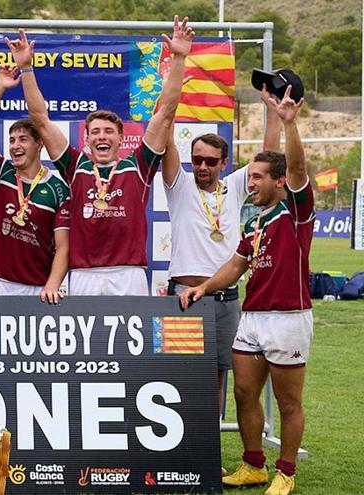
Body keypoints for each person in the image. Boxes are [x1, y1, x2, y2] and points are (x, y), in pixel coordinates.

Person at [180, 86, 313, 495]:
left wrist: (288, 123)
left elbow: (298, 168)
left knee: (288, 402)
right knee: (242, 393)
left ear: (279, 181)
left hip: (288, 317)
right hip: (251, 316)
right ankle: (253, 464)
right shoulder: (253, 222)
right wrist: (203, 287)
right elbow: (236, 266)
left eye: (257, 177)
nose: (249, 183)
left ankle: (285, 470)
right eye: (249, 176)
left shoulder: (295, 210)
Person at [8, 17, 193, 295]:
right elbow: (41, 119)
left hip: (129, 273)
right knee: (86, 342)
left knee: (132, 342)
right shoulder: (76, 166)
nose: (102, 137)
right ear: (87, 139)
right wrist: (26, 67)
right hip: (84, 274)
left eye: (109, 131)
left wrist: (178, 57)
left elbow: (165, 112)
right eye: (95, 132)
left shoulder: (138, 165)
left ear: (121, 138)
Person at [163, 87, 281, 454]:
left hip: (225, 300)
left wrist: (274, 113)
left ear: (224, 163)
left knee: (216, 377)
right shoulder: (178, 184)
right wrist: (169, 92)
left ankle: (204, 450)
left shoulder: (232, 187)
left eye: (211, 161)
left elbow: (272, 156)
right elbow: (165, 132)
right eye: (197, 159)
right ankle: (174, 449)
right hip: (184, 299)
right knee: (178, 378)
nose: (202, 166)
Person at [0, 64, 70, 302]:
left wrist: (53, 285)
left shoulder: (58, 189)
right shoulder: (1, 171)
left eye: (23, 139)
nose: (15, 146)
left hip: (38, 287)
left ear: (39, 144)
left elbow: (64, 246)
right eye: (12, 140)